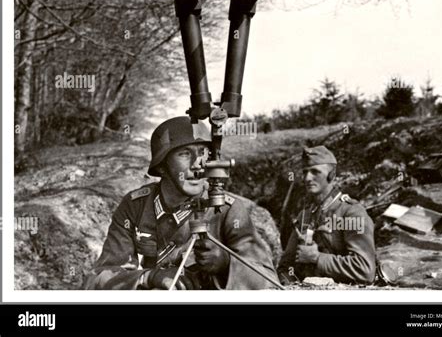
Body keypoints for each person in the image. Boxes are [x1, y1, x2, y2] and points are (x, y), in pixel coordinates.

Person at [85, 116, 278, 290]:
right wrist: (149, 277)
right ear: (161, 166)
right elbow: (98, 278)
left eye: (203, 152)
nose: (198, 164)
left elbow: (269, 280)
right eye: (185, 154)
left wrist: (226, 265)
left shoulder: (226, 209)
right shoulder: (135, 205)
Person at [277, 146, 376, 285]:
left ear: (331, 175)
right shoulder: (304, 216)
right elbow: (284, 267)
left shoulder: (352, 213)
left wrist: (317, 258)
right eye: (305, 172)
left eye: (315, 172)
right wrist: (292, 286)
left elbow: (365, 270)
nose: (307, 178)